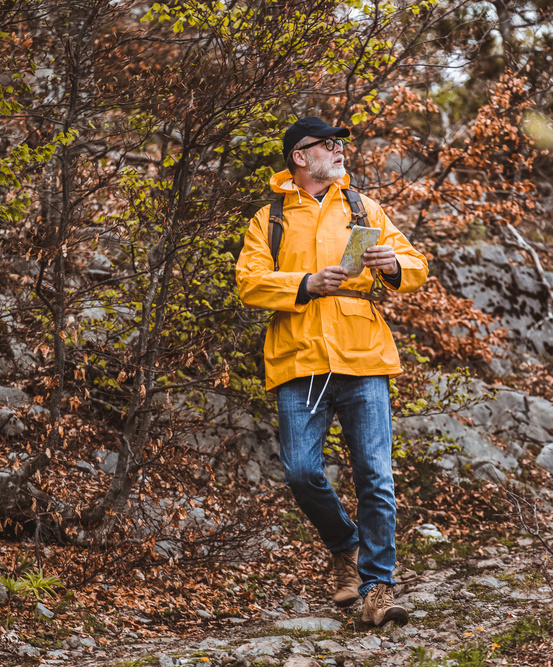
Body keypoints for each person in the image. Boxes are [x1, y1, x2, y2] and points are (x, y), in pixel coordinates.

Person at [235, 117, 428, 627]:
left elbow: (417, 267)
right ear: (300, 156)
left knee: (376, 475)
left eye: (340, 143)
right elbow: (249, 284)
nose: (340, 150)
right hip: (299, 360)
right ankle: (344, 545)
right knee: (300, 472)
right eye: (328, 144)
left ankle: (377, 586)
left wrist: (391, 265)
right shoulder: (269, 218)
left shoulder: (363, 207)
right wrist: (305, 282)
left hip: (363, 356)